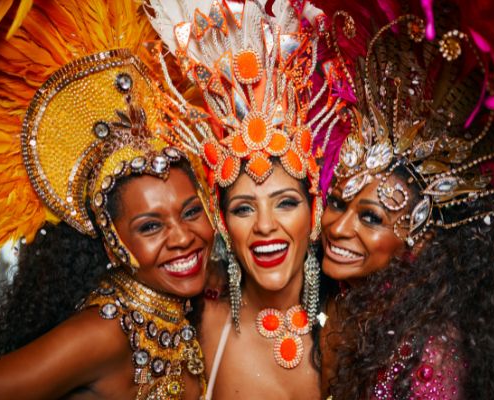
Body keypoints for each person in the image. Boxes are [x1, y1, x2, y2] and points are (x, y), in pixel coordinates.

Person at [317, 0, 494, 398]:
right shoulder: (376, 309)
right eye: (337, 203)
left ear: (424, 236)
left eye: (372, 218)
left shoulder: (430, 355)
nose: (338, 227)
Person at [0, 2, 215, 398]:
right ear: (113, 242)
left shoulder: (176, 309)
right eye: (150, 226)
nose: (183, 237)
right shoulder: (105, 330)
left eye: (191, 212)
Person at [144, 0, 347, 398]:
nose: (265, 225)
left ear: (315, 211)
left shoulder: (356, 327)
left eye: (286, 202)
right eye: (243, 208)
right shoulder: (194, 325)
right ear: (222, 222)